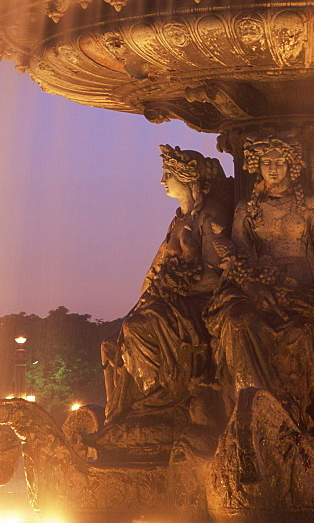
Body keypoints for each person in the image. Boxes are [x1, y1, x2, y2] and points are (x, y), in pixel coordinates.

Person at [205, 138, 314, 436]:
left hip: (304, 288)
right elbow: (239, 260)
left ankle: (306, 416)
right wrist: (256, 289)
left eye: (279, 163)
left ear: (291, 166)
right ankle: (247, 410)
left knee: (299, 332)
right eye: (266, 163)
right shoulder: (246, 209)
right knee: (237, 322)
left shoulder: (310, 204)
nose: (273, 169)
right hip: (259, 286)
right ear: (257, 166)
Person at [102, 146, 232, 425]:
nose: (163, 182)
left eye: (168, 175)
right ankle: (121, 411)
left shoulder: (210, 216)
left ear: (187, 179)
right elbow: (156, 270)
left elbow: (215, 276)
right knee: (112, 345)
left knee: (138, 326)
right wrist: (155, 291)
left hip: (199, 302)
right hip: (172, 300)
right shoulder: (179, 220)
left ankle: (158, 402)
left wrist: (173, 289)